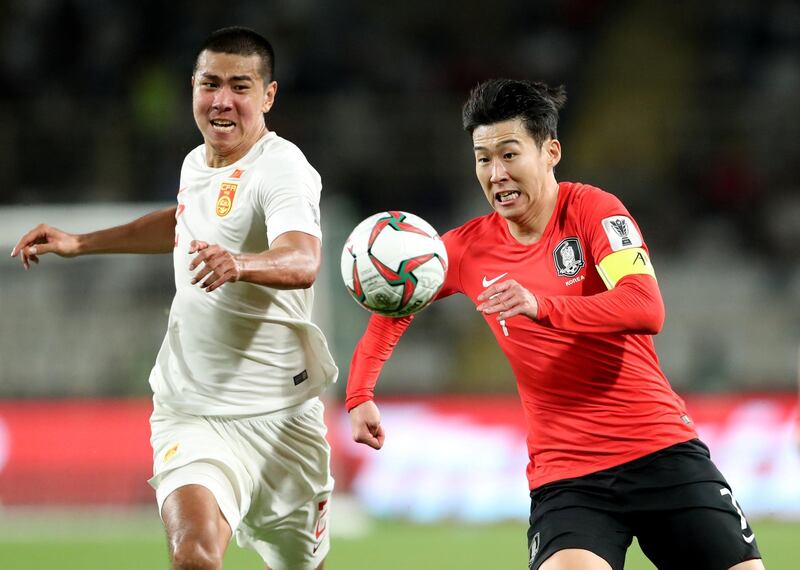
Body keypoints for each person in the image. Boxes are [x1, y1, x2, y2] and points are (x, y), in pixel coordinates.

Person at [346, 79, 765, 570]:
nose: (496, 173)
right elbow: (399, 304)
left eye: (509, 154)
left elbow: (645, 306)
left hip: (661, 450)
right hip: (568, 477)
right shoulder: (467, 248)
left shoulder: (594, 211)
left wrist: (542, 306)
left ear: (551, 151)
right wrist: (359, 394)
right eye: (483, 159)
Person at [11, 27, 337, 570]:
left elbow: (303, 259)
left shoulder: (282, 169)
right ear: (192, 88)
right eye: (210, 84)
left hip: (280, 418)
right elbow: (183, 221)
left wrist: (242, 264)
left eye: (240, 86)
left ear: (269, 95)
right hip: (191, 410)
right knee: (195, 557)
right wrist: (81, 242)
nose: (222, 101)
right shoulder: (195, 163)